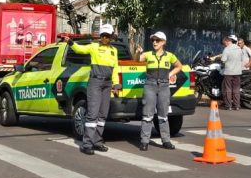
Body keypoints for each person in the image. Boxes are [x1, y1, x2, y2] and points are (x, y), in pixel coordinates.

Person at [65, 24, 121, 155]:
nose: (105, 38)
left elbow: (116, 68)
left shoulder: (114, 50)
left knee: (102, 114)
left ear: (111, 37)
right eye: (103, 35)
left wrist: (116, 85)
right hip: (95, 82)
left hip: (107, 84)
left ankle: (97, 141)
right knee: (93, 114)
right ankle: (87, 144)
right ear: (100, 36)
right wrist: (70, 42)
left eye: (108, 36)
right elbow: (80, 49)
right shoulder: (94, 46)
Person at [134, 31, 182, 151]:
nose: (154, 42)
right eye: (153, 40)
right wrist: (137, 52)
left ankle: (166, 141)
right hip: (150, 85)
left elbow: (179, 66)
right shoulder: (148, 54)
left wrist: (170, 74)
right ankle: (144, 141)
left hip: (164, 86)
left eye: (158, 40)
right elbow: (137, 60)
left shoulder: (169, 55)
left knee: (163, 115)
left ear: (163, 42)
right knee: (147, 115)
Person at [219, 34, 243, 110]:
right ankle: (237, 106)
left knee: (228, 89)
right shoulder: (239, 49)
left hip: (229, 72)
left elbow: (223, 60)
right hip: (237, 72)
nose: (224, 45)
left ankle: (228, 106)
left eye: (224, 43)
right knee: (236, 89)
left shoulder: (227, 49)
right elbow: (241, 59)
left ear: (227, 41)